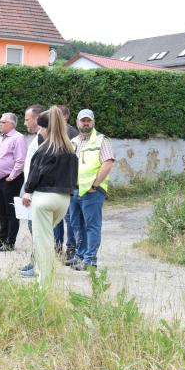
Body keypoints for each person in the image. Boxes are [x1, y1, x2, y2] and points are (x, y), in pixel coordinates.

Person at [20, 107, 78, 285]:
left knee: (42, 241)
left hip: (43, 198)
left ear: (46, 129)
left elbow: (34, 175)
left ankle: (43, 284)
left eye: (40, 129)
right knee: (48, 236)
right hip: (63, 200)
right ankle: (42, 273)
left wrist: (28, 191)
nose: (39, 132)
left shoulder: (44, 149)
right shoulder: (70, 149)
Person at [66, 109, 114, 271]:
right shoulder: (73, 141)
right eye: (82, 120)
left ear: (93, 122)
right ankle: (80, 256)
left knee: (91, 226)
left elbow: (108, 163)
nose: (85, 123)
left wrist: (94, 185)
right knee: (75, 224)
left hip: (92, 192)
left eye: (88, 120)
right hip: (74, 190)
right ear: (77, 122)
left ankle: (90, 260)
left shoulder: (101, 140)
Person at [0, 112, 27, 252]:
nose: (0, 124)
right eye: (0, 121)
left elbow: (20, 159)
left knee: (11, 211)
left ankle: (10, 243)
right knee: (1, 210)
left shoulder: (18, 138)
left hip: (11, 180)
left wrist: (12, 176)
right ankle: (2, 239)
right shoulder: (2, 138)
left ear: (12, 124)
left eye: (3, 122)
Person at [18, 104, 45, 273]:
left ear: (36, 119)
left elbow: (40, 167)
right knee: (33, 228)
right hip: (32, 190)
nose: (25, 123)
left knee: (38, 230)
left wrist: (30, 191)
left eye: (27, 119)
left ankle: (39, 267)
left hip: (37, 192)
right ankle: (35, 262)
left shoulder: (43, 138)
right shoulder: (37, 137)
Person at [53, 105, 80, 258]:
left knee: (69, 217)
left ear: (65, 117)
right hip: (56, 182)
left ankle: (70, 248)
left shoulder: (70, 132)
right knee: (57, 216)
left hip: (67, 182)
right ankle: (57, 247)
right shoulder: (53, 131)